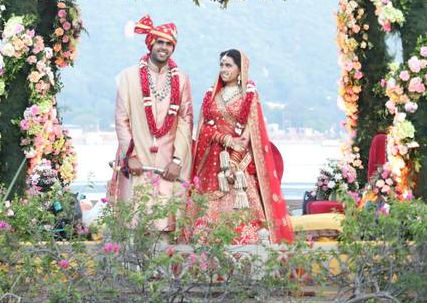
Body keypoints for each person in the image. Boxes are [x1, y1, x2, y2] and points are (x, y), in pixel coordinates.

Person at [189, 49, 293, 243]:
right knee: (205, 216)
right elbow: (203, 128)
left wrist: (236, 150)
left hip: (238, 163)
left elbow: (250, 133)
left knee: (241, 214)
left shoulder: (249, 95)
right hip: (211, 162)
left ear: (240, 69)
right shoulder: (211, 94)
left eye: (228, 65)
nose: (223, 69)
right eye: (221, 65)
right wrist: (226, 140)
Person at [108, 15, 194, 231]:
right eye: (159, 42)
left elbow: (186, 120)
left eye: (168, 44)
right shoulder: (128, 77)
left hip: (168, 165)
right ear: (151, 44)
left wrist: (177, 160)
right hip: (137, 162)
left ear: (173, 48)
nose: (163, 48)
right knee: (133, 226)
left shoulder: (181, 79)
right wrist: (131, 156)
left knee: (164, 226)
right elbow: (121, 119)